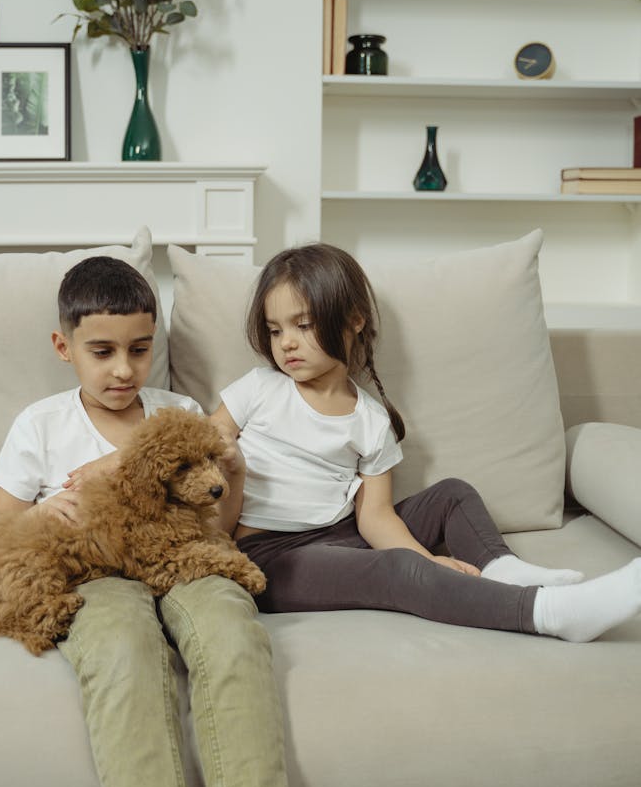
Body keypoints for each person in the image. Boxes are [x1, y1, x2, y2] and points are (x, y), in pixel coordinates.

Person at [0, 255, 295, 787]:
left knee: (230, 621)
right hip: (99, 575)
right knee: (120, 651)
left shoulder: (178, 411)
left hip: (184, 560)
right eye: (102, 351)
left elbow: (214, 520)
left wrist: (231, 477)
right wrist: (45, 512)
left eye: (140, 347)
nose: (124, 368)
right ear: (64, 347)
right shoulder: (43, 423)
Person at [210, 242, 641, 642]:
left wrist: (424, 556)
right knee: (400, 570)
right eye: (273, 330)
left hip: (342, 534)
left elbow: (375, 517)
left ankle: (505, 570)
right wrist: (421, 563)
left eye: (302, 325)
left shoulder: (370, 420)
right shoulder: (261, 388)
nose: (285, 343)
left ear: (353, 320)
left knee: (452, 494)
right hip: (269, 556)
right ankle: (549, 613)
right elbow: (205, 442)